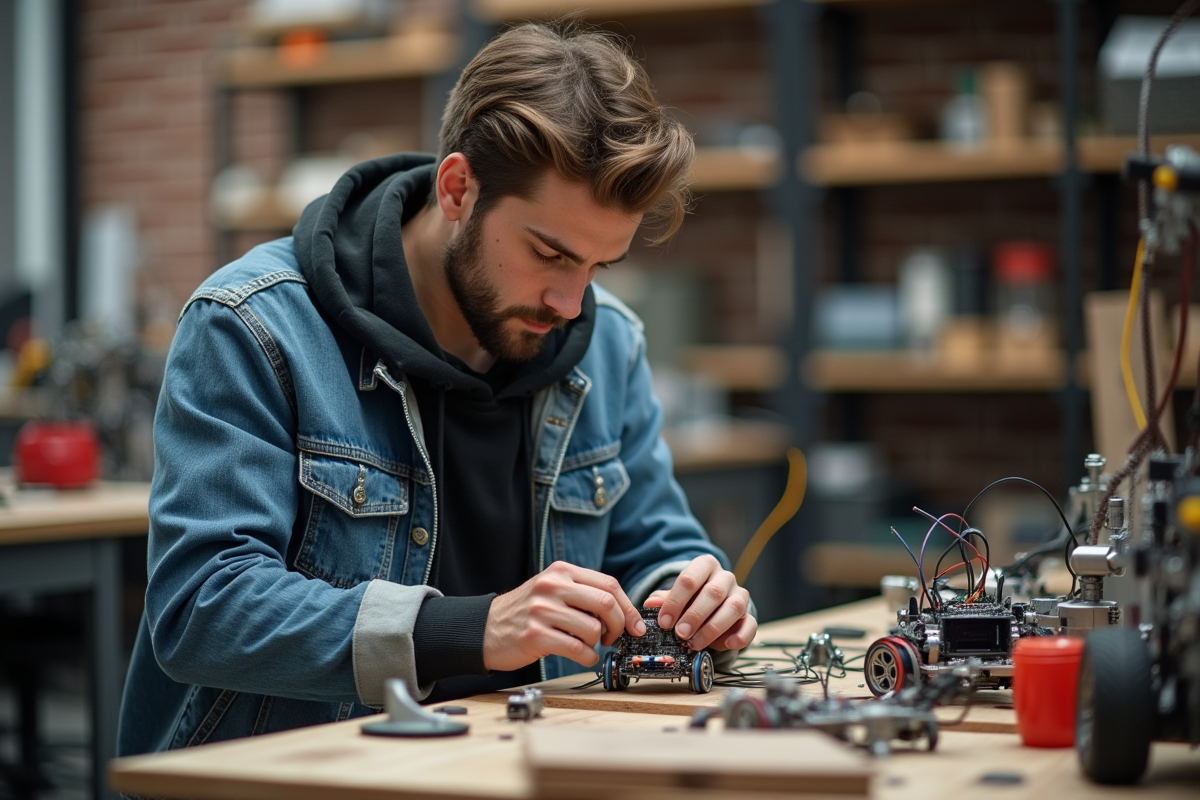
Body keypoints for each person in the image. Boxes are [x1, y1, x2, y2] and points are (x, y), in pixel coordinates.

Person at [117, 22, 756, 755]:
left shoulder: (608, 344)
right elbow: (203, 606)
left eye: (597, 267)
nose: (572, 303)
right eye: (548, 252)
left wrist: (691, 594)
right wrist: (466, 630)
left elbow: (654, 540)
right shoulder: (251, 327)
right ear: (458, 189)